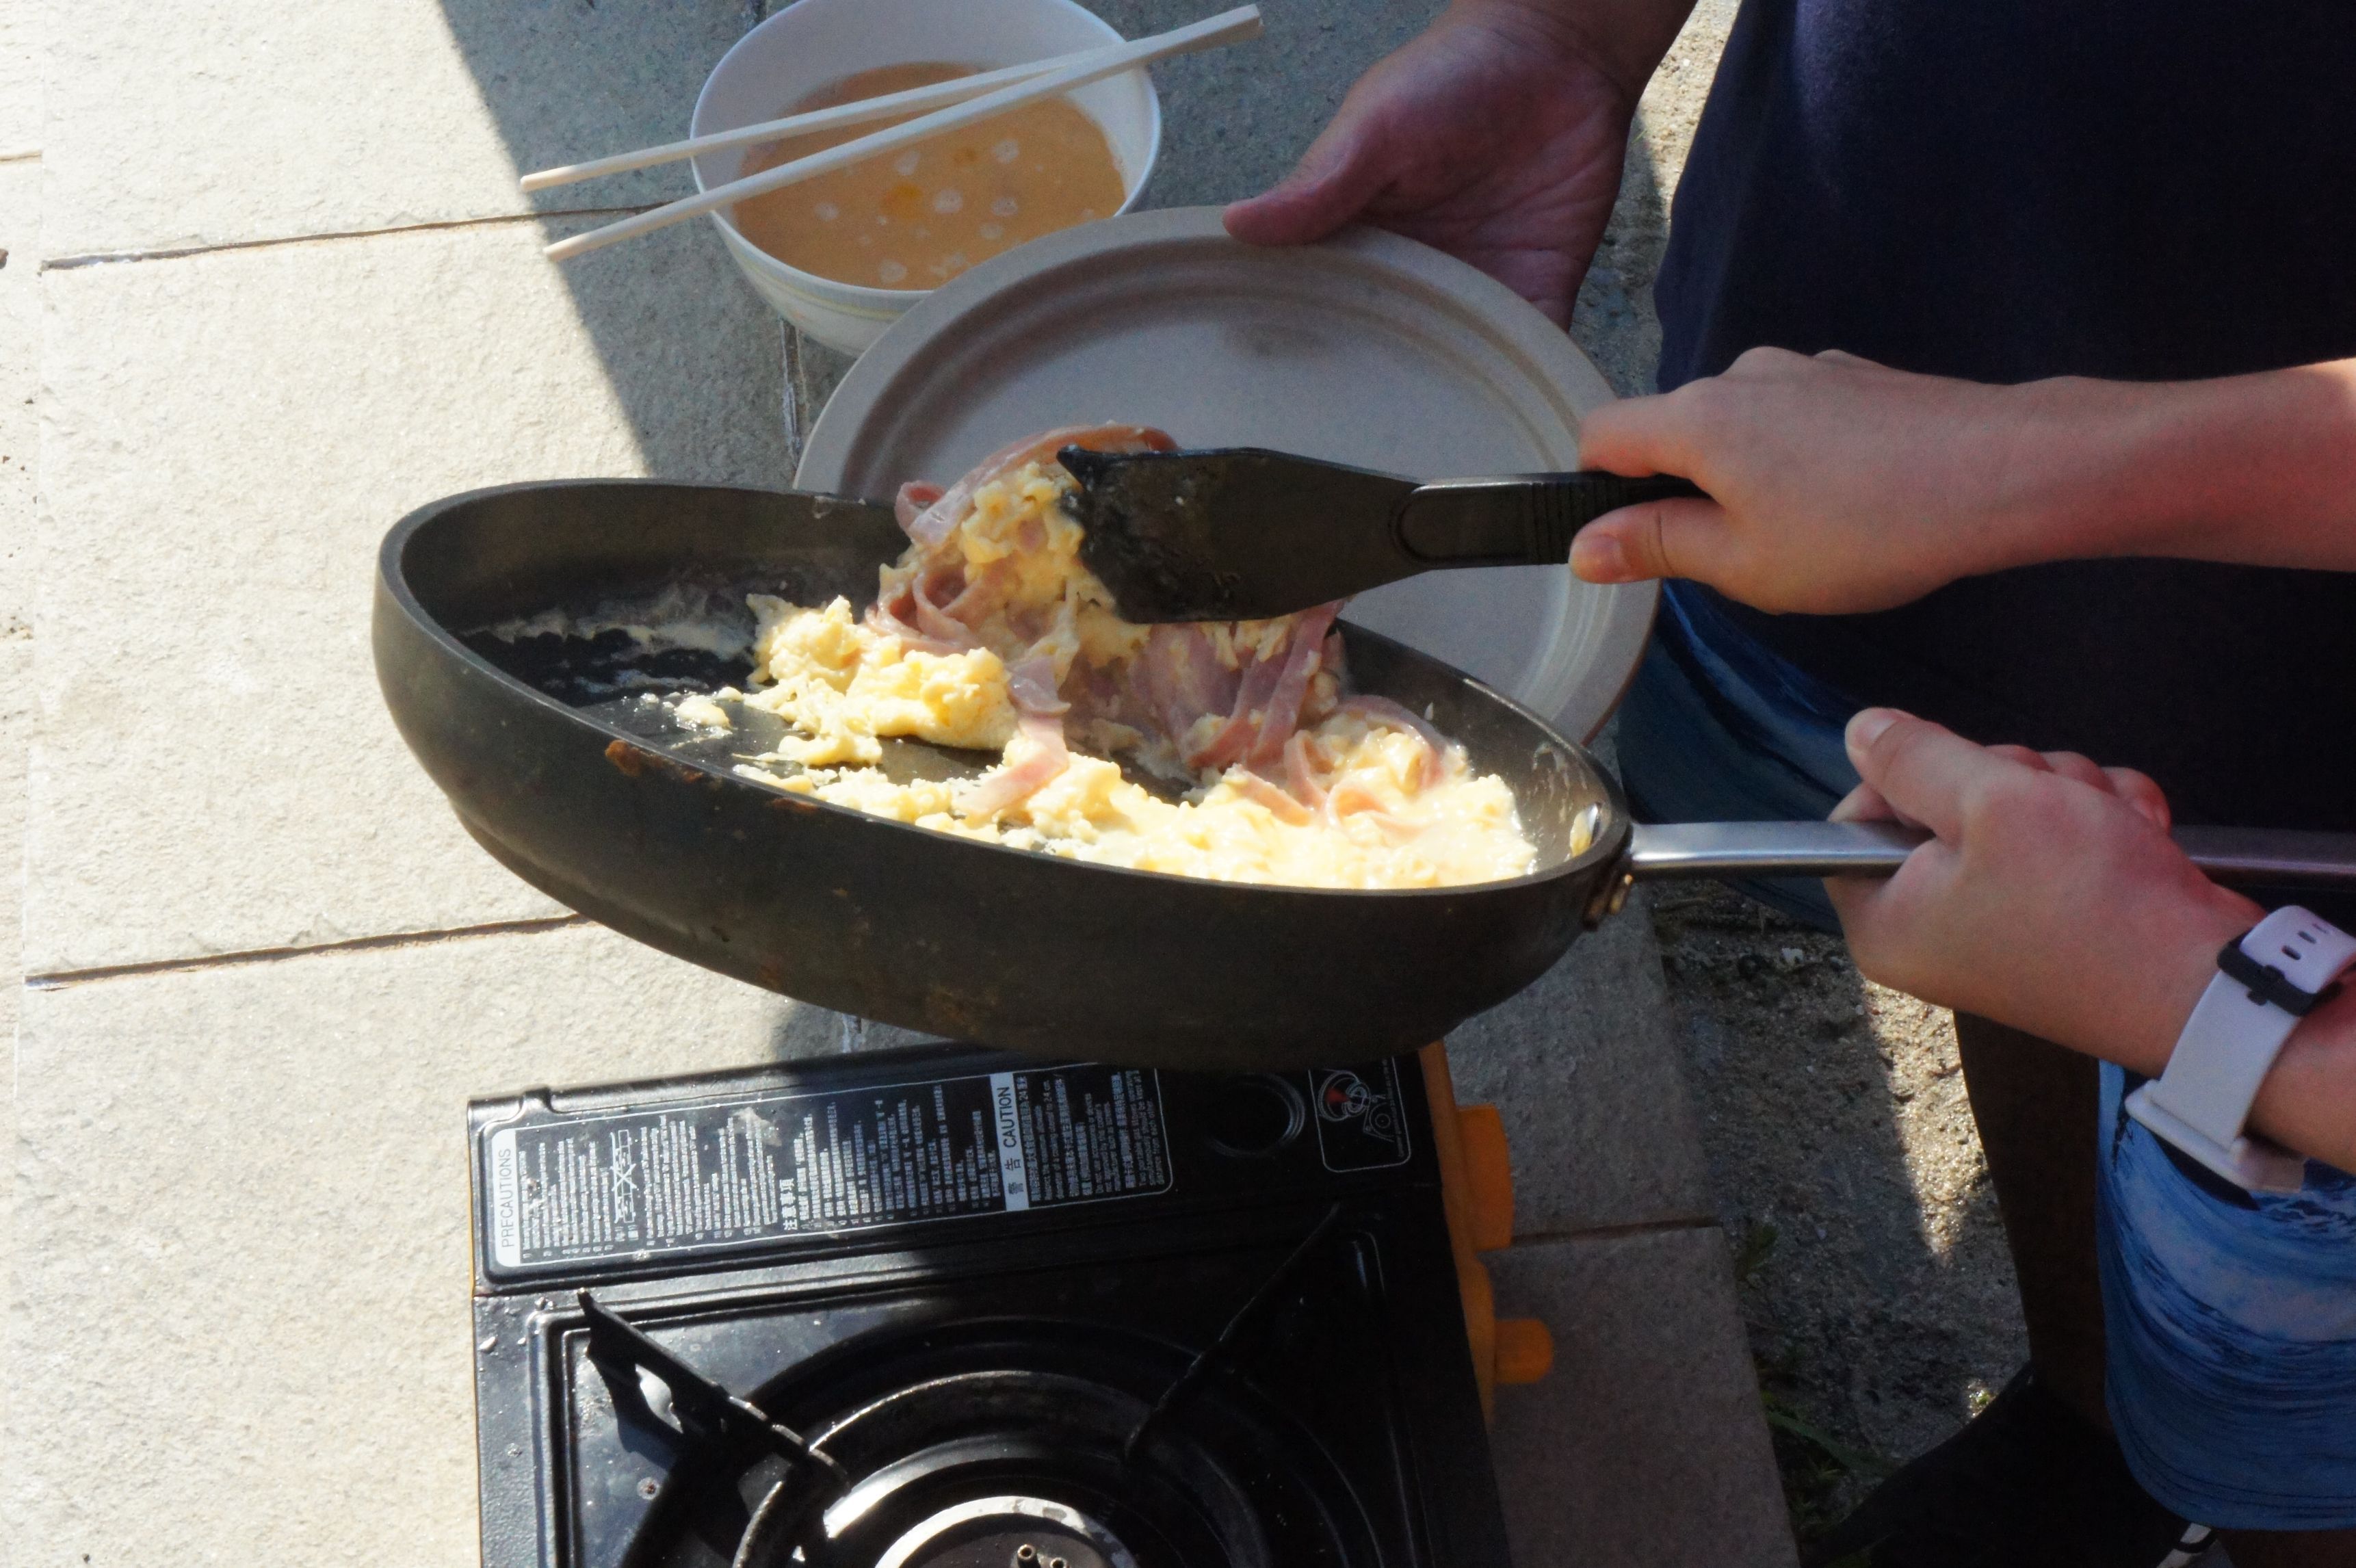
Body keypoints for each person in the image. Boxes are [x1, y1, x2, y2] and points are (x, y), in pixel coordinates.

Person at [1223, 1, 2356, 1563]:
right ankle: (2100, 1412)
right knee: (2037, 910)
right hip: (1862, 419)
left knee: (2307, 1355)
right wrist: (1569, 34)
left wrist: (2216, 1015)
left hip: (2305, 732)